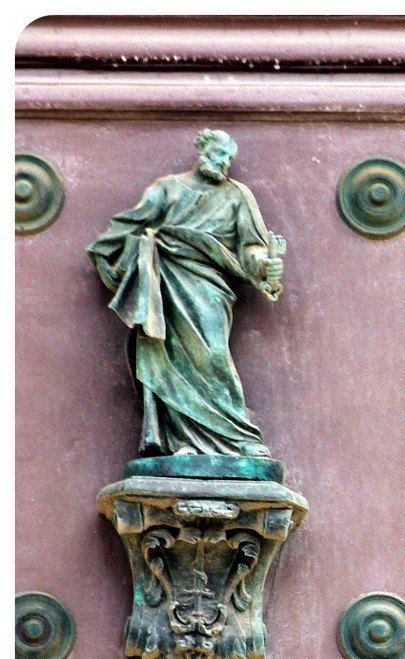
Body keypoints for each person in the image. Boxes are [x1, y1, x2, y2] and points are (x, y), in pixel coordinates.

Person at [88, 129, 285, 458]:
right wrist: (106, 256)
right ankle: (182, 442)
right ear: (203, 150)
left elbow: (250, 245)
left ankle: (236, 437)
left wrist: (265, 265)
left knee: (213, 356)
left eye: (229, 158)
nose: (224, 162)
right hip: (166, 280)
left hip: (210, 283)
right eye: (219, 154)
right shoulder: (168, 188)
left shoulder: (237, 195)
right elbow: (131, 224)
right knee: (170, 358)